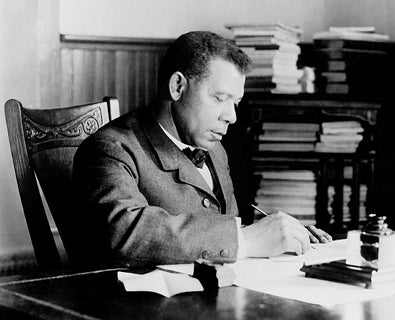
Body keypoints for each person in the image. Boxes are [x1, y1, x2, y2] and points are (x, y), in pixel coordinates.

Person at [72, 31, 331, 268]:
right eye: (219, 98)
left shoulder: (215, 150)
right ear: (177, 87)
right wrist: (245, 240)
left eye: (236, 103)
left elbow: (223, 231)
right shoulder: (111, 148)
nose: (231, 116)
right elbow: (123, 232)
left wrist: (281, 235)